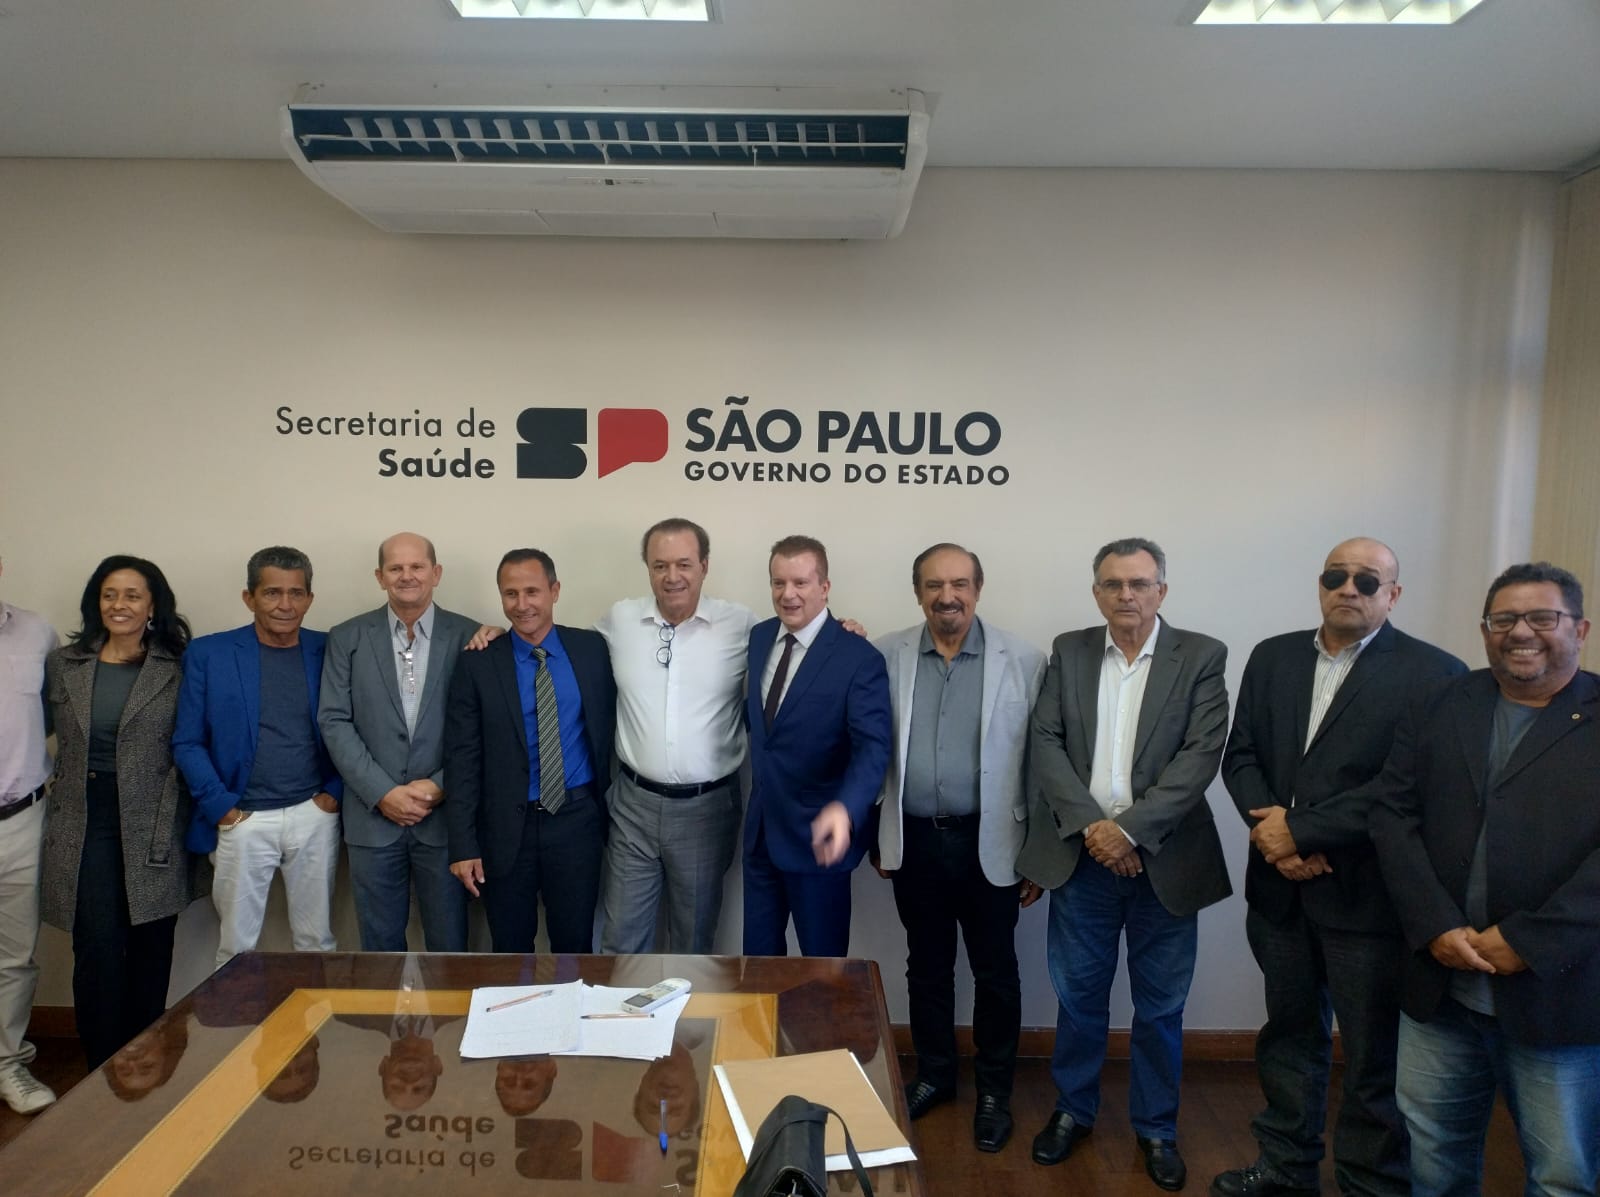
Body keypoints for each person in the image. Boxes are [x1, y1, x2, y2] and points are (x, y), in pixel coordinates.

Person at [1212, 538, 1466, 1197]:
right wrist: (1275, 837)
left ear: (1393, 594)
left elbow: (1405, 786)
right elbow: (1241, 756)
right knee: (1288, 1036)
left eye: (1368, 579)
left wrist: (1300, 831)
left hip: (1369, 898)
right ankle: (1285, 1165)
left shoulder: (1436, 673)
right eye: (1336, 576)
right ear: (1320, 584)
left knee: (1372, 1053)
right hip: (1280, 892)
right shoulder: (1272, 656)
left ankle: (1369, 1181)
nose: (1349, 588)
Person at [1371, 561, 1600, 1197]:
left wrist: (1528, 940)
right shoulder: (1441, 703)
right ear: (1485, 631)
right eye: (1504, 619)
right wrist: (1435, 924)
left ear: (1579, 628)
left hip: (1560, 998)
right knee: (1434, 1160)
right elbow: (1392, 814)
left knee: (1563, 1176)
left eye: (1542, 617)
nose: (1521, 631)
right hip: (1441, 987)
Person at [1016, 537, 1231, 1192]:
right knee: (1078, 997)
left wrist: (1130, 832)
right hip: (1082, 859)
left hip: (1164, 860)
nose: (1126, 595)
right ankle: (1073, 1110)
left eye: (1139, 583)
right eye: (1113, 584)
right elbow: (1046, 742)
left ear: (1162, 590)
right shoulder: (1071, 650)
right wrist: (1095, 829)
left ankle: (1157, 1126)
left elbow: (1200, 756)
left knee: (1161, 1006)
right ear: (1096, 593)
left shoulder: (1201, 655)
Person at [873, 542, 1046, 1152]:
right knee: (926, 966)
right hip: (915, 838)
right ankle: (936, 1076)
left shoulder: (1025, 659)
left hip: (992, 842)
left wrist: (1039, 851)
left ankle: (995, 1091)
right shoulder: (885, 656)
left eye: (959, 584)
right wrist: (876, 831)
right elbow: (869, 747)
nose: (947, 596)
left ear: (978, 588)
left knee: (996, 972)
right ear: (917, 592)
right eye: (934, 585)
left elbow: (1042, 761)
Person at [43, 555, 197, 1070]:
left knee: (151, 943)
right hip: (84, 819)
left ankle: (146, 1066)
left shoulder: (179, 666)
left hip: (156, 816)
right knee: (97, 947)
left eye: (132, 595)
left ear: (153, 605)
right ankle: (101, 1068)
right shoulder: (64, 663)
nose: (119, 605)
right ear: (96, 603)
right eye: (109, 594)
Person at [174, 546, 344, 968]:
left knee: (317, 943)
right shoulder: (209, 654)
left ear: (309, 598)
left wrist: (333, 795)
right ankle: (238, 1017)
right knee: (237, 949)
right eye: (272, 593)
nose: (285, 605)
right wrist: (223, 809)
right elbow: (187, 741)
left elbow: (355, 727)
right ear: (249, 597)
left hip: (313, 814)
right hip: (242, 818)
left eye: (296, 593)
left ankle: (318, 1016)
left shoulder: (330, 649)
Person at [443, 549, 616, 953]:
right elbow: (462, 759)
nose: (522, 605)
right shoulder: (479, 663)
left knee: (574, 946)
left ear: (555, 591)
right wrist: (463, 845)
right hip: (505, 829)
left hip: (576, 822)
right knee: (510, 949)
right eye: (511, 594)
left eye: (532, 592)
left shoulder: (592, 649)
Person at [596, 518, 754, 954]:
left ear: (704, 566)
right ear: (648, 568)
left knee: (693, 945)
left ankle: (686, 1006)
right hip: (632, 806)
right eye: (660, 565)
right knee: (621, 943)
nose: (672, 577)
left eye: (684, 564)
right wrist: (500, 637)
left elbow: (794, 652)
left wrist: (841, 629)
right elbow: (563, 651)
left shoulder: (740, 624)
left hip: (707, 809)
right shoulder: (620, 619)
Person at [319, 532, 480, 952]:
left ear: (436, 573)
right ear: (380, 576)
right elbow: (334, 720)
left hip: (444, 821)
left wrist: (441, 785)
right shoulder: (347, 637)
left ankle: (450, 1004)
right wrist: (382, 792)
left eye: (417, 566)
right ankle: (387, 1005)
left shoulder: (470, 636)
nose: (407, 576)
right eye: (395, 568)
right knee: (380, 949)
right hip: (372, 819)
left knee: (450, 946)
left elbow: (484, 728)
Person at [742, 535, 891, 958]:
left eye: (801, 583)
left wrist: (846, 808)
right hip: (761, 835)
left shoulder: (858, 657)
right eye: (778, 583)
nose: (788, 594)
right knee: (757, 967)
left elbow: (873, 748)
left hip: (819, 840)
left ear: (824, 587)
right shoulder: (759, 637)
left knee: (823, 974)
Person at [0, 554, 60, 1114]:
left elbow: (52, 715)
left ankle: (7, 1064)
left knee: (15, 955)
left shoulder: (37, 633)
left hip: (21, 817)